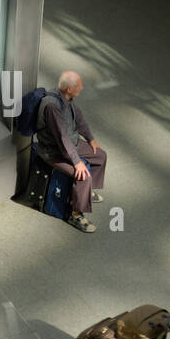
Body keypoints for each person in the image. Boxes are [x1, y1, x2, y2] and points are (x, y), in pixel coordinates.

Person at [34, 71, 107, 233]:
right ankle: (75, 214)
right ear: (69, 88)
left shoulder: (67, 99)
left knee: (100, 156)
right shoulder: (52, 106)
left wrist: (90, 139)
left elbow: (79, 119)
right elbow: (62, 138)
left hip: (70, 145)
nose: (81, 88)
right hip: (54, 152)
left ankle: (85, 193)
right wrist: (77, 162)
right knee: (83, 174)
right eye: (79, 85)